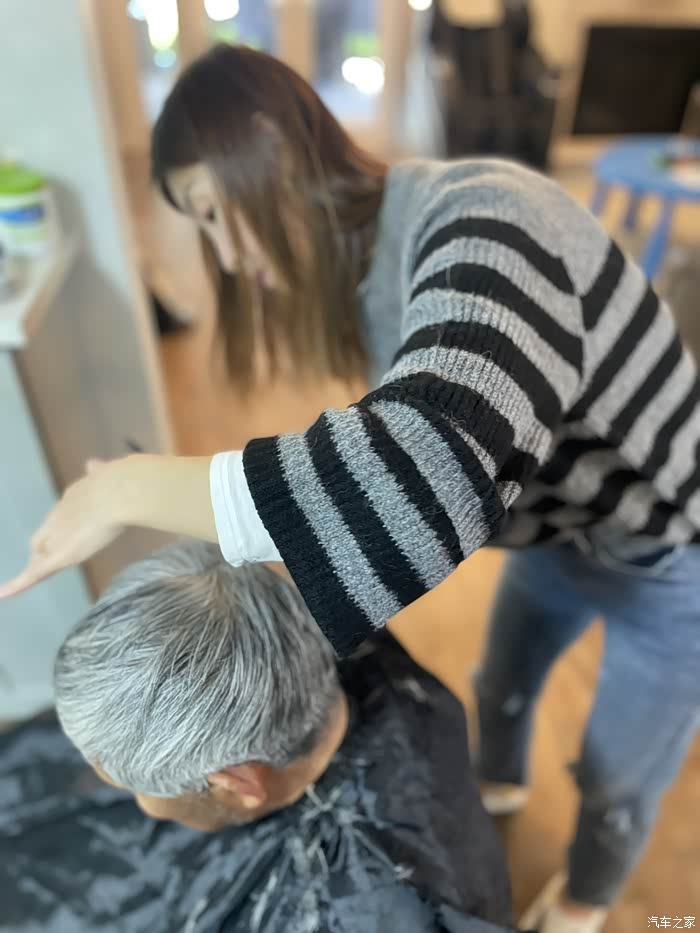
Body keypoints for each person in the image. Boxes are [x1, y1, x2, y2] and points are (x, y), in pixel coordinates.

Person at [1, 43, 699, 932]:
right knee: (502, 685)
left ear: (270, 143)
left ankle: (586, 900)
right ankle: (489, 798)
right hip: (555, 533)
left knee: (617, 771)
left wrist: (131, 489)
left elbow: (429, 459)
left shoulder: (493, 218)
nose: (226, 257)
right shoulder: (375, 275)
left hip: (669, 545)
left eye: (213, 212)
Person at [0, 539, 512, 933]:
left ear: (238, 783)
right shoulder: (337, 637)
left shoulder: (376, 909)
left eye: (136, 788)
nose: (121, 793)